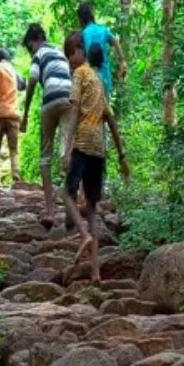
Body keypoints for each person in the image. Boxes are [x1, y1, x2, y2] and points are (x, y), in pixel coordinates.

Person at [62, 33, 129, 285]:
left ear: (80, 51)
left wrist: (67, 150)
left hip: (82, 142)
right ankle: (96, 272)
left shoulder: (80, 74)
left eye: (71, 53)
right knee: (91, 208)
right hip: (99, 149)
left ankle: (83, 235)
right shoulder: (99, 81)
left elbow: (74, 109)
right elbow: (111, 121)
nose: (70, 59)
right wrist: (122, 156)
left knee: (67, 194)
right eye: (68, 55)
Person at [20, 23, 72, 227]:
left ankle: (50, 212)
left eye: (29, 46)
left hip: (50, 101)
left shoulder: (39, 54)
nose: (31, 50)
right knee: (66, 152)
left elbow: (32, 80)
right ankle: (70, 209)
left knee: (45, 156)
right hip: (69, 99)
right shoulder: (60, 52)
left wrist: (25, 114)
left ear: (33, 41)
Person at [0, 48, 24, 193]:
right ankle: (16, 179)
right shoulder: (15, 72)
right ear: (7, 58)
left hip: (1, 114)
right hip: (14, 115)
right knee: (14, 150)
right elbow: (23, 85)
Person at [78, 1, 127, 97]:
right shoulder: (103, 30)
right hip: (105, 77)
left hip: (90, 78)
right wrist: (122, 61)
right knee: (105, 106)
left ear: (80, 19)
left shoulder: (82, 34)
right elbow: (115, 41)